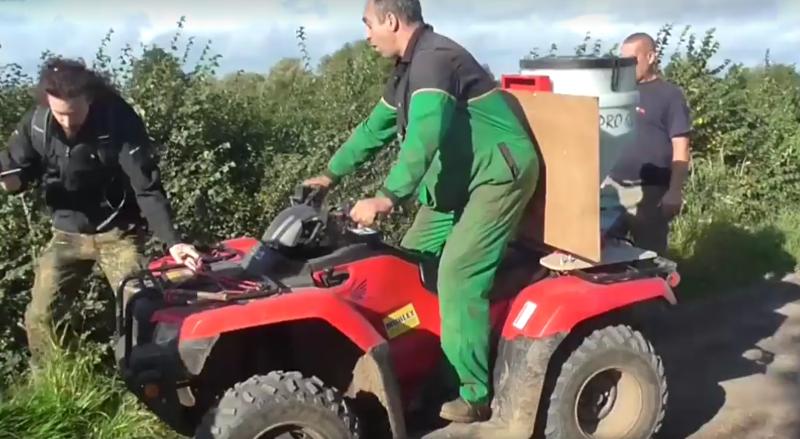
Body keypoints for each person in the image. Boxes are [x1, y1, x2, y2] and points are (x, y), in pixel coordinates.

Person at [304, 0, 539, 423]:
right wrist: (329, 174)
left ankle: (472, 392)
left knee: (457, 273)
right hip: (458, 182)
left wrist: (387, 196)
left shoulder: (435, 60)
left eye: (368, 25)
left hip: (497, 176)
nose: (367, 35)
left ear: (391, 20)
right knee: (405, 267)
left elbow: (424, 137)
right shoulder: (407, 70)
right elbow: (374, 129)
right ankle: (425, 366)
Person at [0, 57, 201, 365]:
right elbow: (18, 171)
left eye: (74, 113)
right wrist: (11, 181)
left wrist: (173, 241)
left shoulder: (118, 120)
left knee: (141, 311)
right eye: (60, 114)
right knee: (41, 317)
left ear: (90, 98)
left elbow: (146, 187)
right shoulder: (38, 123)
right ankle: (57, 383)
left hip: (118, 232)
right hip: (67, 233)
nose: (67, 122)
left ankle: (147, 382)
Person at [603, 32, 692, 254]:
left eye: (632, 61)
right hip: (613, 189)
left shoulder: (669, 95)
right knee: (605, 254)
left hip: (651, 193)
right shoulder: (618, 93)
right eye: (622, 61)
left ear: (651, 57)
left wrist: (675, 192)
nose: (625, 67)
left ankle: (661, 289)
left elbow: (681, 145)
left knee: (650, 258)